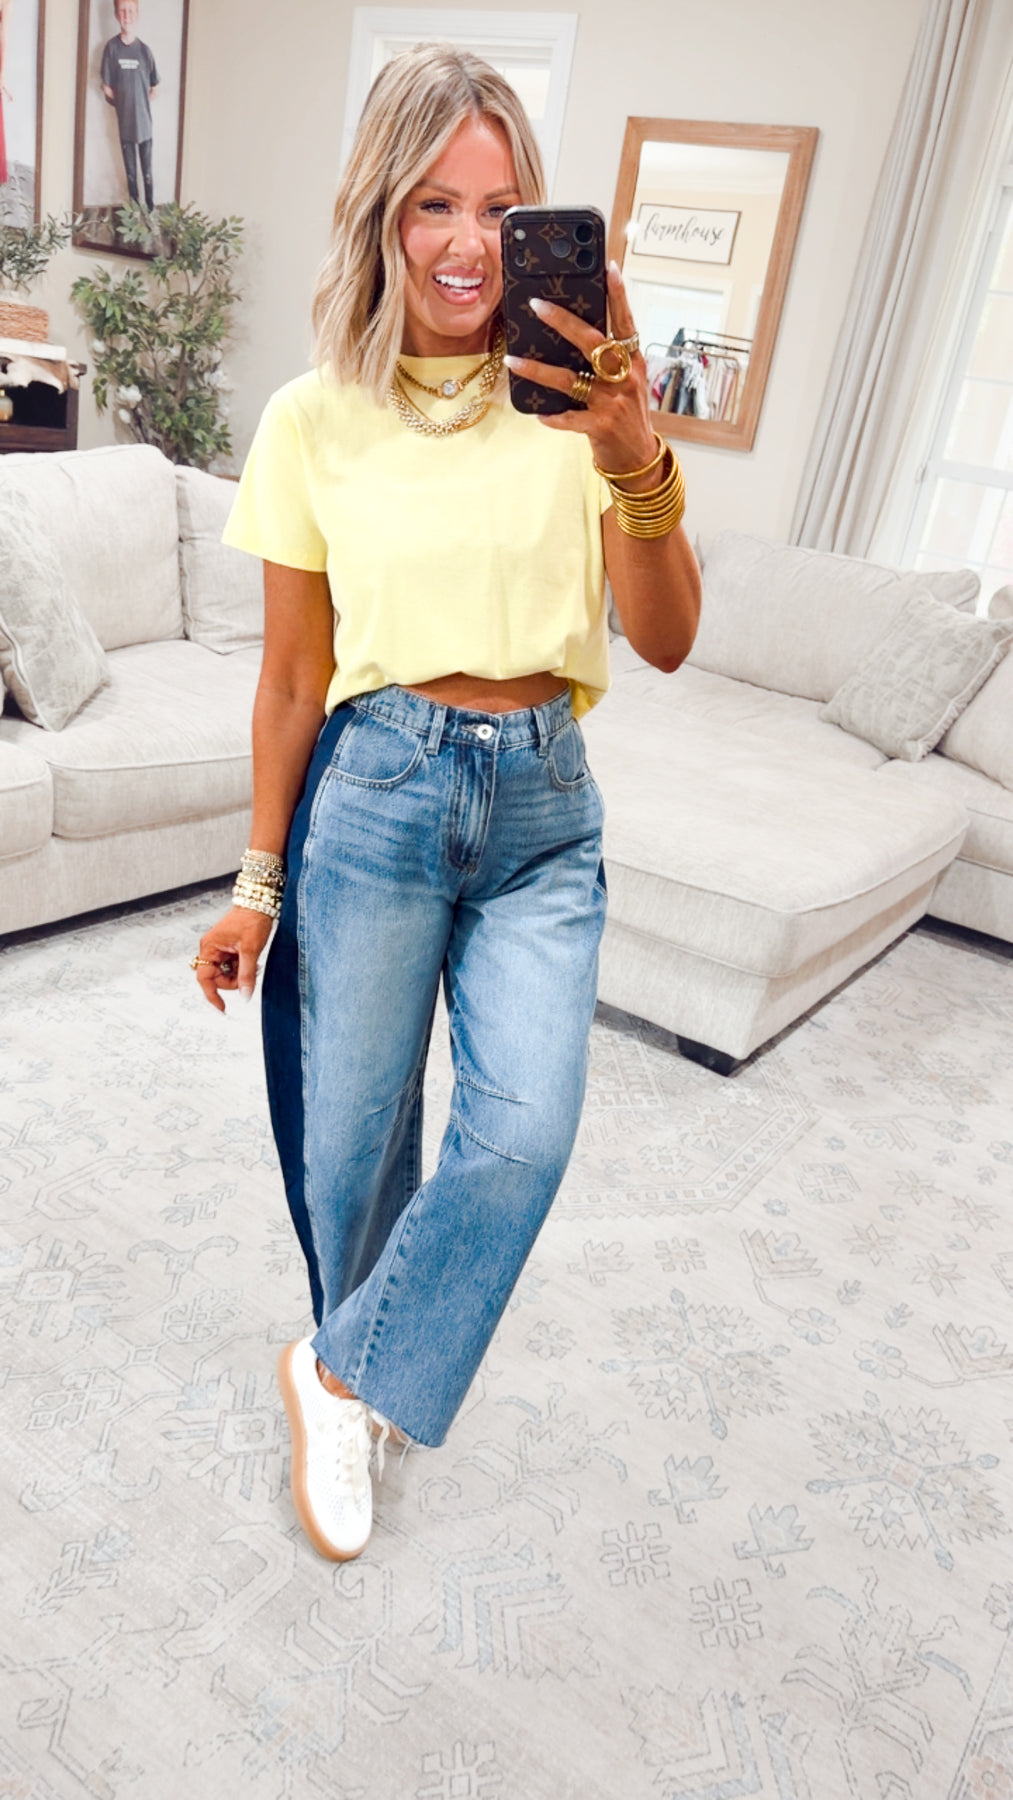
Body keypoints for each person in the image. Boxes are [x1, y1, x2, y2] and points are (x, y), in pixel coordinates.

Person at [193, 44, 700, 1564]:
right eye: (434, 204)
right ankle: (351, 1393)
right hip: (375, 793)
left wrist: (634, 453)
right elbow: (294, 678)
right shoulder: (310, 420)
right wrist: (255, 883)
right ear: (382, 215)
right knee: (353, 1151)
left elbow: (666, 637)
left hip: (545, 807)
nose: (470, 243)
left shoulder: (580, 404)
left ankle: (338, 1370)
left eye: (499, 207)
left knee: (521, 1137)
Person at [100, 0, 158, 211]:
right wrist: (124, 104)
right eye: (122, 11)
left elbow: (154, 87)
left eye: (131, 11)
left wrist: (138, 103)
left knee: (147, 173)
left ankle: (150, 210)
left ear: (137, 14)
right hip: (125, 126)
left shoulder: (144, 51)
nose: (127, 15)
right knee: (131, 174)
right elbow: (107, 87)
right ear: (117, 15)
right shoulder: (111, 49)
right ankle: (134, 214)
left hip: (145, 126)